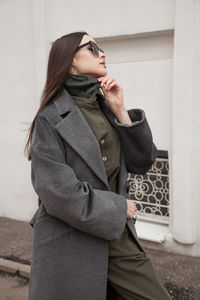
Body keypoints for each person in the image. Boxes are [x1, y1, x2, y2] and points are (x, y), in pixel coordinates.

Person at [25, 31, 171, 300]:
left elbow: (143, 161)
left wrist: (121, 110)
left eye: (100, 47)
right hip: (71, 240)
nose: (102, 53)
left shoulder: (104, 106)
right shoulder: (50, 118)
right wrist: (118, 206)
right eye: (92, 47)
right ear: (69, 60)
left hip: (116, 236)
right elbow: (57, 192)